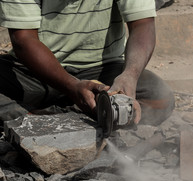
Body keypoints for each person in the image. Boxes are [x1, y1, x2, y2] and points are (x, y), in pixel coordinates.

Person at [0, 0, 174, 130]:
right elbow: (23, 40)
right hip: (34, 72)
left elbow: (142, 24)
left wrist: (130, 75)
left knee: (160, 98)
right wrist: (72, 86)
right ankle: (90, 114)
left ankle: (35, 121)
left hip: (102, 69)